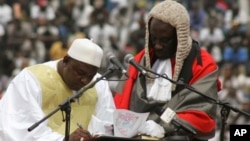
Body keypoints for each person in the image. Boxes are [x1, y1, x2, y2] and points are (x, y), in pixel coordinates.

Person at [114, 0, 221, 141]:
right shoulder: (140, 60)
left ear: (180, 37)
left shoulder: (202, 64)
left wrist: (163, 126)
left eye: (165, 40)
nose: (157, 46)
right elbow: (121, 103)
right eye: (153, 39)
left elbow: (203, 117)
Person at [0, 38, 115, 141]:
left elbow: (107, 123)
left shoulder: (98, 82)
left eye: (91, 76)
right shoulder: (31, 79)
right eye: (80, 73)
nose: (85, 81)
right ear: (66, 61)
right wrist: (64, 139)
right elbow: (21, 130)